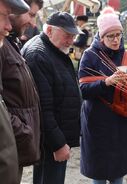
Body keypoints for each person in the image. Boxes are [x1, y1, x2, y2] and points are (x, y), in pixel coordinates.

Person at [78, 6, 127, 184]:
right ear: (101, 36)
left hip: (120, 123)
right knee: (98, 175)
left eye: (118, 35)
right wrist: (105, 82)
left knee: (117, 173)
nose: (116, 40)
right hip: (96, 123)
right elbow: (83, 91)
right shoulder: (89, 56)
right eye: (110, 36)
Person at [21, 11, 82, 184]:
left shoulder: (51, 49)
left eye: (73, 36)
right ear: (49, 31)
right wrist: (58, 143)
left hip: (55, 135)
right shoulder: (39, 55)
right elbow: (43, 108)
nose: (71, 41)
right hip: (50, 141)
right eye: (67, 35)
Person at [0, 0, 43, 182]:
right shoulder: (2, 48)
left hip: (11, 152)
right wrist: (23, 132)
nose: (33, 24)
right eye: (31, 15)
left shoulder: (10, 44)